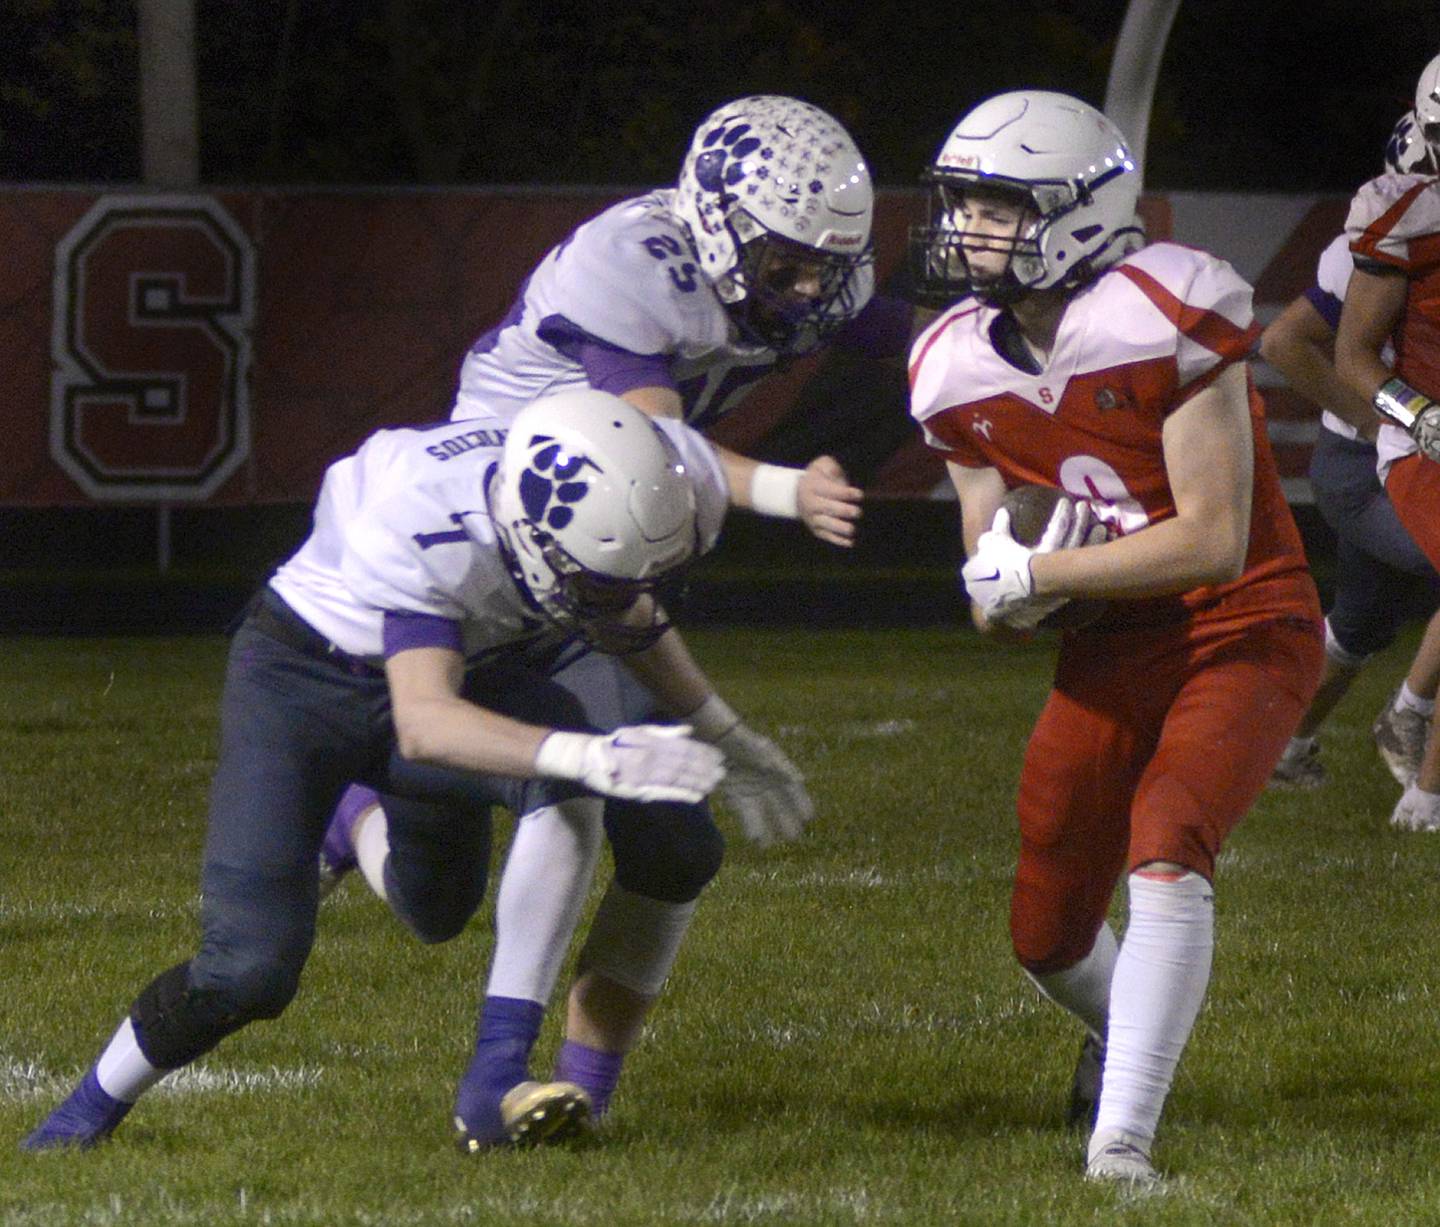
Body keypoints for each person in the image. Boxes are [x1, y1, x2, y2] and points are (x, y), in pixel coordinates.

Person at [317, 94, 918, 1146]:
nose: (814, 289)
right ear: (718, 220)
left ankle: (583, 1095)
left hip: (615, 543)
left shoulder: (817, 266)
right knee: (564, 795)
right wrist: (784, 490)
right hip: (507, 532)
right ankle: (494, 1076)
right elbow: (655, 454)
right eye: (789, 265)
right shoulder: (630, 263)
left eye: (830, 264)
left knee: (677, 852)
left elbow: (921, 333)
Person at [20, 390, 765, 1152]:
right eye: (599, 579)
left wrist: (724, 729)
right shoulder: (425, 521)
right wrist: (596, 752)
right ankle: (82, 1112)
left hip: (454, 665)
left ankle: (491, 1070)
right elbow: (426, 720)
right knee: (249, 971)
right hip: (305, 686)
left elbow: (627, 609)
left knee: (438, 906)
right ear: (528, 534)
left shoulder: (582, 483)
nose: (618, 599)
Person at [907, 90, 1323, 1185]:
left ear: (1079, 213)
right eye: (962, 203)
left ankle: (1122, 1144)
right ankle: (1124, 1025)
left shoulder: (1165, 309)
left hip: (1244, 624)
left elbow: (1214, 542)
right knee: (1044, 929)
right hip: (1108, 646)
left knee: (1171, 835)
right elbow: (986, 580)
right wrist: (1009, 593)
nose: (967, 230)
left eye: (997, 205)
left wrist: (1039, 569)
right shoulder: (953, 361)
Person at [1261, 109, 1440, 791]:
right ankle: (1410, 724)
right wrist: (1376, 422)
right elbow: (1282, 343)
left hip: (1393, 453)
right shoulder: (1385, 239)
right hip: (1369, 463)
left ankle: (1284, 747)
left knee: (1359, 627)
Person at [1335, 53, 1440, 832]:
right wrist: (1419, 414)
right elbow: (1352, 355)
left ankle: (1407, 709)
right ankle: (1425, 801)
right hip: (1426, 439)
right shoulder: (1404, 214)